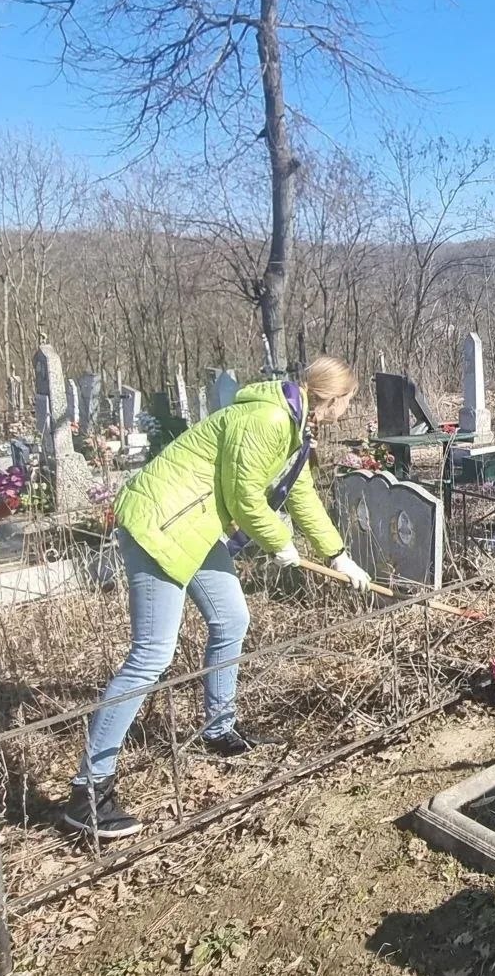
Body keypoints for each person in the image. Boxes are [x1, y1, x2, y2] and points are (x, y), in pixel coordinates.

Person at [61, 356, 374, 839]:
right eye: (348, 402)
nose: (347, 412)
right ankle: (89, 790)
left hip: (196, 527)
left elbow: (302, 495)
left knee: (231, 619)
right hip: (159, 523)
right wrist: (281, 545)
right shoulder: (268, 418)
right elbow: (245, 494)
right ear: (331, 398)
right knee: (152, 655)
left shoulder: (294, 428)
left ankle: (219, 727)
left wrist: (338, 555)